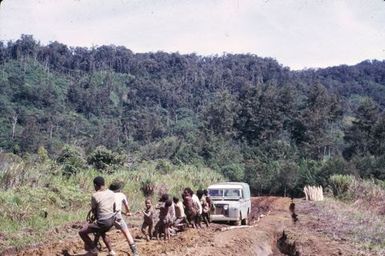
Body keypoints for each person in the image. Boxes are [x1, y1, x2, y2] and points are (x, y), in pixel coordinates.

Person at [79, 176, 116, 255]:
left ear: (95, 185)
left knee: (82, 232)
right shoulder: (111, 193)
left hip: (103, 221)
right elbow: (114, 206)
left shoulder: (95, 195)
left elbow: (94, 210)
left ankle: (93, 250)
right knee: (102, 232)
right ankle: (111, 251)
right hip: (112, 220)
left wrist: (90, 220)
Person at [109, 181, 139, 256]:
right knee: (126, 232)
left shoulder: (108, 194)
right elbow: (126, 206)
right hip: (117, 216)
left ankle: (94, 246)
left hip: (107, 215)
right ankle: (134, 252)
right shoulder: (122, 195)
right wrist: (128, 212)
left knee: (101, 231)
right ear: (119, 189)